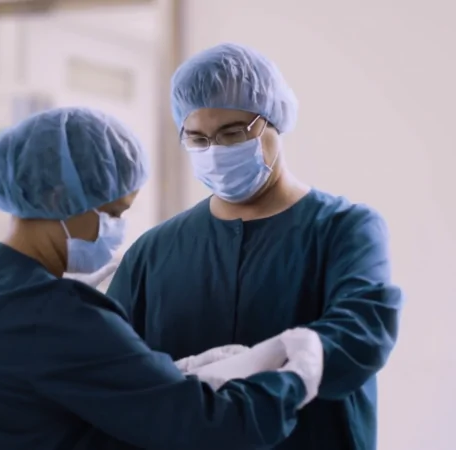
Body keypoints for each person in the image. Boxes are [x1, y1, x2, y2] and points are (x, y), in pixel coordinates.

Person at [0, 106, 325, 450]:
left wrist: (178, 374)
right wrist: (292, 381)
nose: (116, 229)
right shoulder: (52, 313)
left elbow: (76, 383)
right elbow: (203, 427)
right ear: (59, 198)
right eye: (113, 215)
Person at [106, 43, 403, 450]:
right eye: (198, 139)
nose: (215, 152)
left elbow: (363, 331)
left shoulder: (343, 229)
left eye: (232, 133)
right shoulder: (154, 251)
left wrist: (278, 364)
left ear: (273, 121)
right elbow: (113, 370)